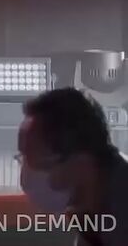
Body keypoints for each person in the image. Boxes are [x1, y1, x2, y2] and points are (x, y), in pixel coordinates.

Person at [18, 87, 128, 245]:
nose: (25, 173)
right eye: (22, 157)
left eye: (34, 159)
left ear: (81, 163)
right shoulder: (88, 214)